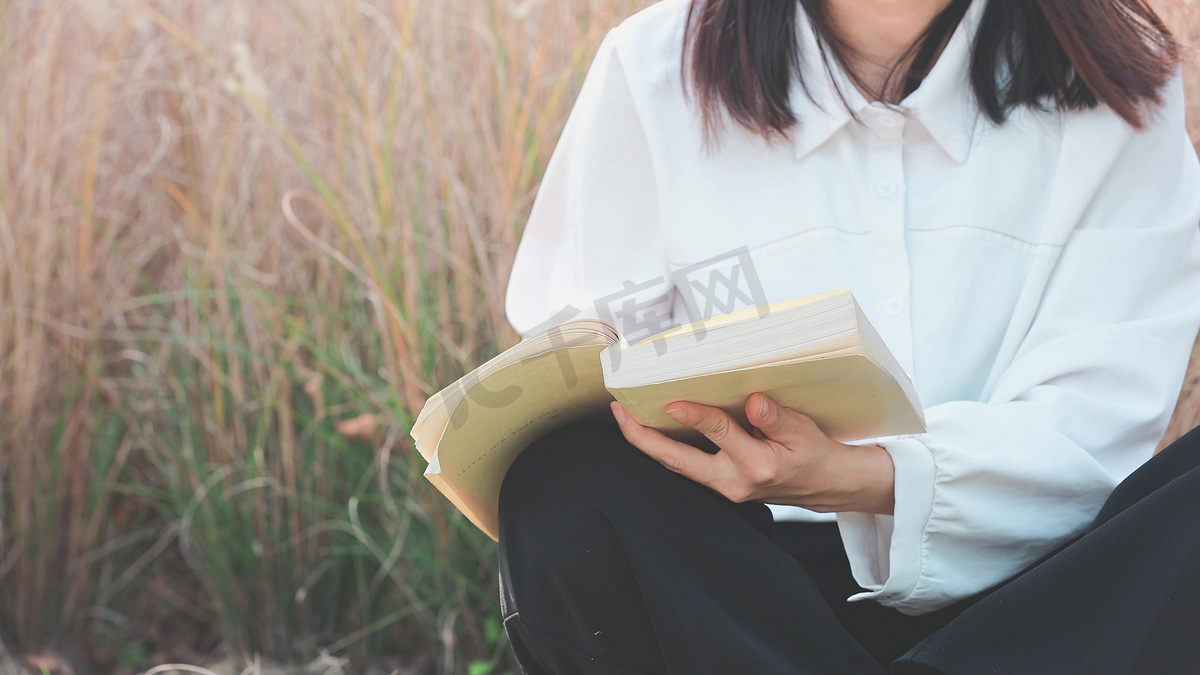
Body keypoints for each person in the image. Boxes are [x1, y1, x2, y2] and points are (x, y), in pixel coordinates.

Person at [496, 0, 1200, 672]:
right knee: (563, 478)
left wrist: (862, 475)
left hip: (1034, 596)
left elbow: (1093, 424)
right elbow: (582, 352)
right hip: (736, 591)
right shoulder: (652, 67)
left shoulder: (1117, 81)